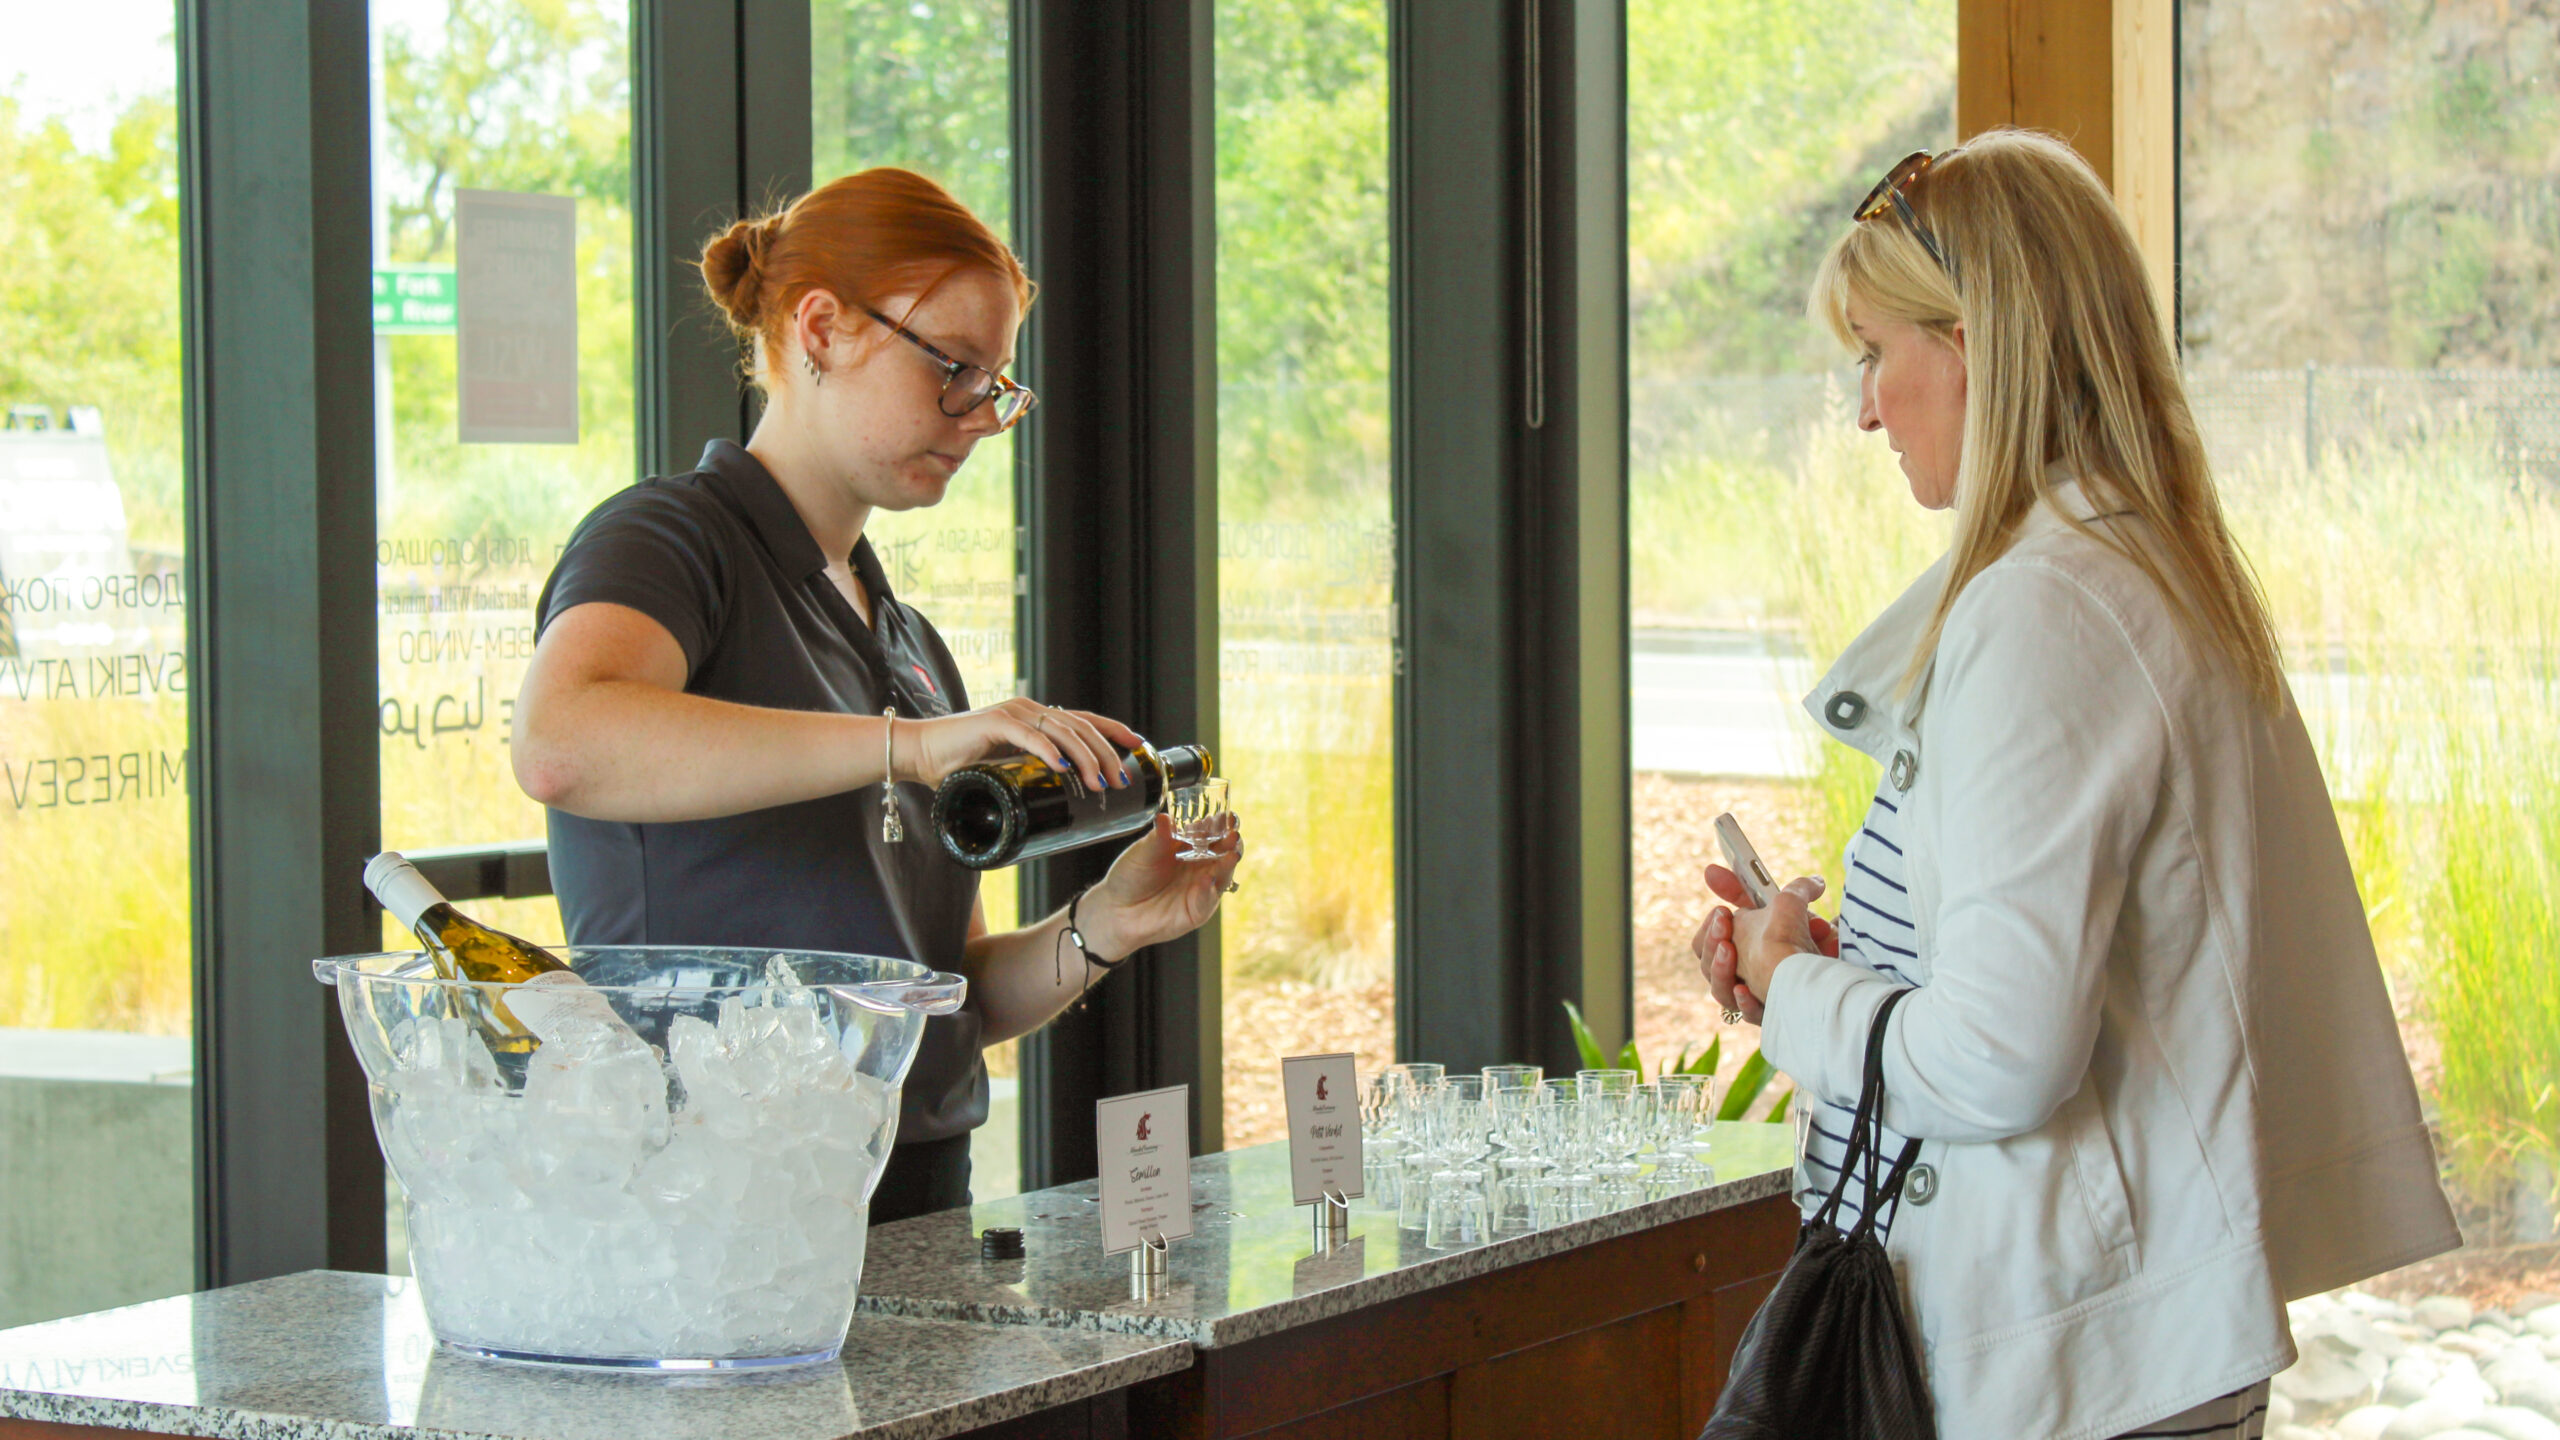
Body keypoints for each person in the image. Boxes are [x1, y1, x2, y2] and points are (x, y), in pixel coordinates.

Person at [1691, 130, 2457, 1439]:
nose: (1866, 407)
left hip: (2062, 1367)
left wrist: (1794, 992)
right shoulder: (2139, 568)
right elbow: (2083, 978)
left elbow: (1998, 1059)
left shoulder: (2045, 609)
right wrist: (1849, 963)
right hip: (2120, 1345)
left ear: (1977, 343)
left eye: (1878, 352)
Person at [513, 168, 1243, 1224]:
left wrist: (1106, 924)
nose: (981, 419)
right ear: (821, 329)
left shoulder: (902, 640)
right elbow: (561, 744)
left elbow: (945, 999)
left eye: (994, 385)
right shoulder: (672, 540)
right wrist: (911, 745)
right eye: (953, 368)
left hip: (916, 1187)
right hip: (710, 1198)